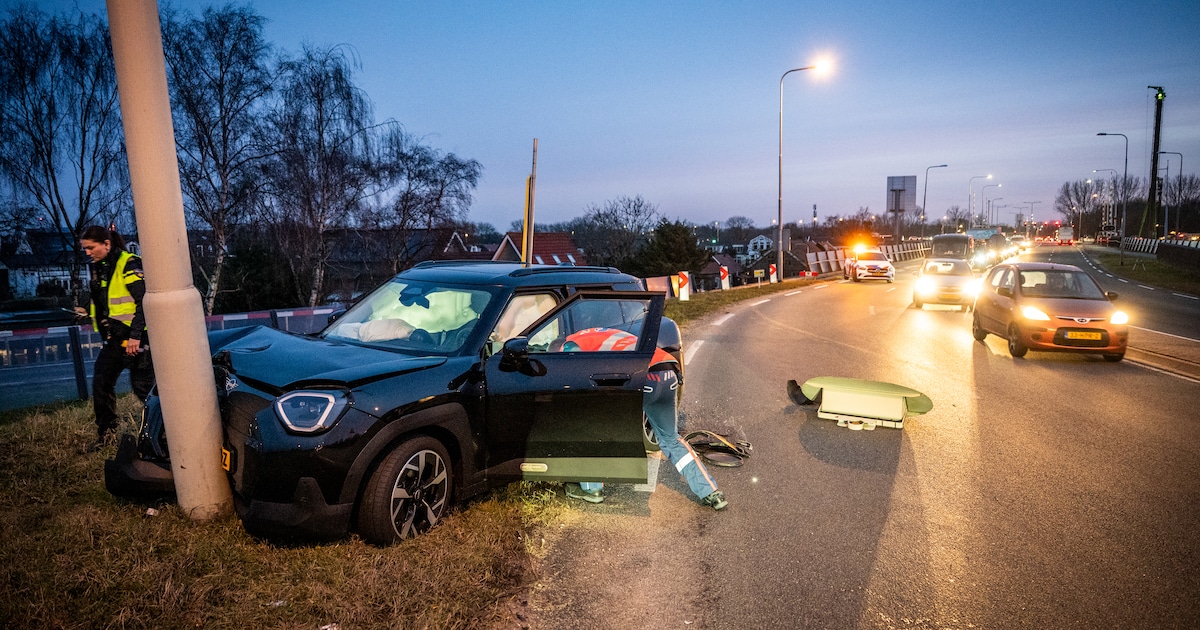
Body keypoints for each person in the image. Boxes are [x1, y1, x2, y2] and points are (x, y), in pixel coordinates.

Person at [561, 327, 728, 511]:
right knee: (671, 439)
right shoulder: (604, 333)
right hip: (667, 370)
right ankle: (711, 492)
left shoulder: (570, 344)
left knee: (593, 428)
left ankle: (592, 490)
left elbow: (571, 373)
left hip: (644, 377)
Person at [78, 225, 155, 447]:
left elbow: (143, 302)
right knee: (101, 382)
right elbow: (106, 299)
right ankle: (107, 434)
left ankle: (165, 432)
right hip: (114, 338)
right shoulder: (101, 267)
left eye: (91, 247)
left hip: (135, 338)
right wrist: (87, 310)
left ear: (107, 244)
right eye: (85, 249)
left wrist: (135, 337)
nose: (87, 252)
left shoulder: (128, 263)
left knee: (143, 389)